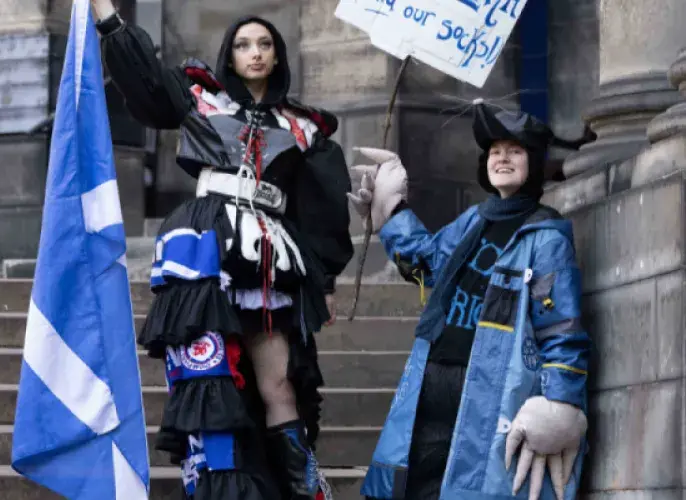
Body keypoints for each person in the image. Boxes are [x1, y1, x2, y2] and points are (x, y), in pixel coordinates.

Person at [90, 2, 354, 498]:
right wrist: (107, 15)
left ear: (277, 57)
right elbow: (145, 79)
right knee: (209, 376)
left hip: (270, 260)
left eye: (264, 45)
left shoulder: (304, 129)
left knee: (279, 385)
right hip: (204, 250)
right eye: (243, 45)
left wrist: (326, 280)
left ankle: (302, 490)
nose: (254, 54)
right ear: (229, 56)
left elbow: (319, 212)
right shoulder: (198, 101)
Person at [348, 102, 591, 500]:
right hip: (431, 374)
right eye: (495, 151)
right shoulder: (474, 219)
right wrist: (392, 211)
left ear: (533, 161)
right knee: (416, 487)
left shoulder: (547, 237)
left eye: (515, 151)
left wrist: (561, 399)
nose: (503, 158)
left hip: (485, 385)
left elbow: (562, 330)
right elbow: (427, 267)